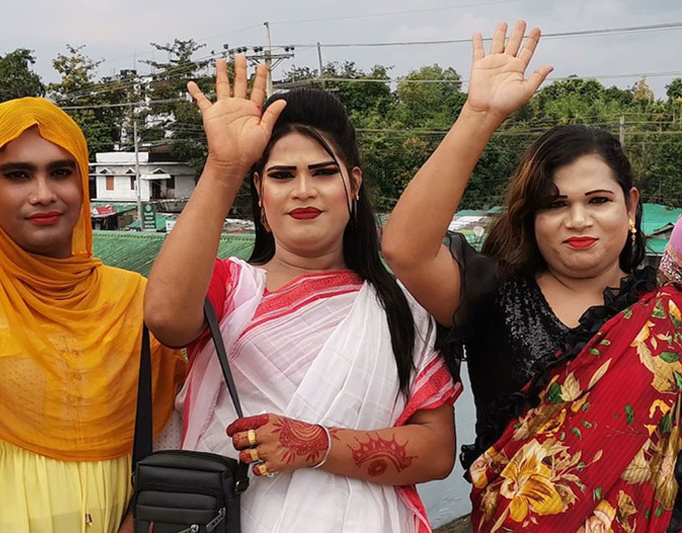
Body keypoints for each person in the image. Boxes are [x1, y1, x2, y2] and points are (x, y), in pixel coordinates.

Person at [382, 20, 682, 532]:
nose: (578, 220)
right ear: (531, 216)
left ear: (630, 205)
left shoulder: (667, 311)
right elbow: (404, 248)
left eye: (598, 200)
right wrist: (479, 115)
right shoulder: (492, 293)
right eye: (555, 204)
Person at [144, 56, 461, 532]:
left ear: (352, 184)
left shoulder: (401, 304)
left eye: (323, 172)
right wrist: (225, 165)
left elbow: (436, 453)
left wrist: (318, 445)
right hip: (236, 517)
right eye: (282, 175)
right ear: (260, 190)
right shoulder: (231, 287)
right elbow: (165, 317)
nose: (303, 190)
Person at [0, 97, 186, 533]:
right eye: (17, 174)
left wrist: (145, 514)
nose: (43, 193)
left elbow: (164, 435)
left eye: (61, 172)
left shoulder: (134, 297)